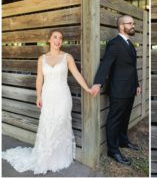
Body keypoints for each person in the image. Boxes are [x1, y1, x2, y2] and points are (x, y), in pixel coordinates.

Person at [2, 30, 93, 174]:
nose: (58, 40)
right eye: (55, 37)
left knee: (60, 123)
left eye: (60, 38)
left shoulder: (67, 57)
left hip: (63, 96)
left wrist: (87, 88)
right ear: (49, 40)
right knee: (47, 124)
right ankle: (45, 158)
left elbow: (76, 74)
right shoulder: (42, 59)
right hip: (48, 96)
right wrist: (38, 96)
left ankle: (59, 157)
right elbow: (39, 78)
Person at [91, 15, 141, 165]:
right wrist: (97, 83)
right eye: (130, 23)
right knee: (114, 120)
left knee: (125, 116)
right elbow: (106, 64)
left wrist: (137, 84)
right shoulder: (114, 44)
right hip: (118, 90)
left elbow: (132, 68)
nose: (133, 25)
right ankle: (113, 150)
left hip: (130, 88)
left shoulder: (130, 44)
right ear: (121, 26)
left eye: (133, 23)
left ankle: (123, 141)